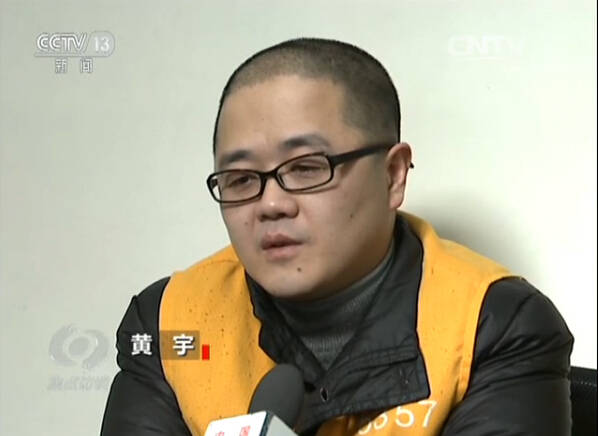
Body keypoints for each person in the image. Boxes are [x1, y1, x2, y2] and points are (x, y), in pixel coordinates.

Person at [100, 38, 574, 436]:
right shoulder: (169, 323)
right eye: (241, 179)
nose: (270, 204)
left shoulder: (495, 323)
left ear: (393, 176)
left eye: (307, 168)